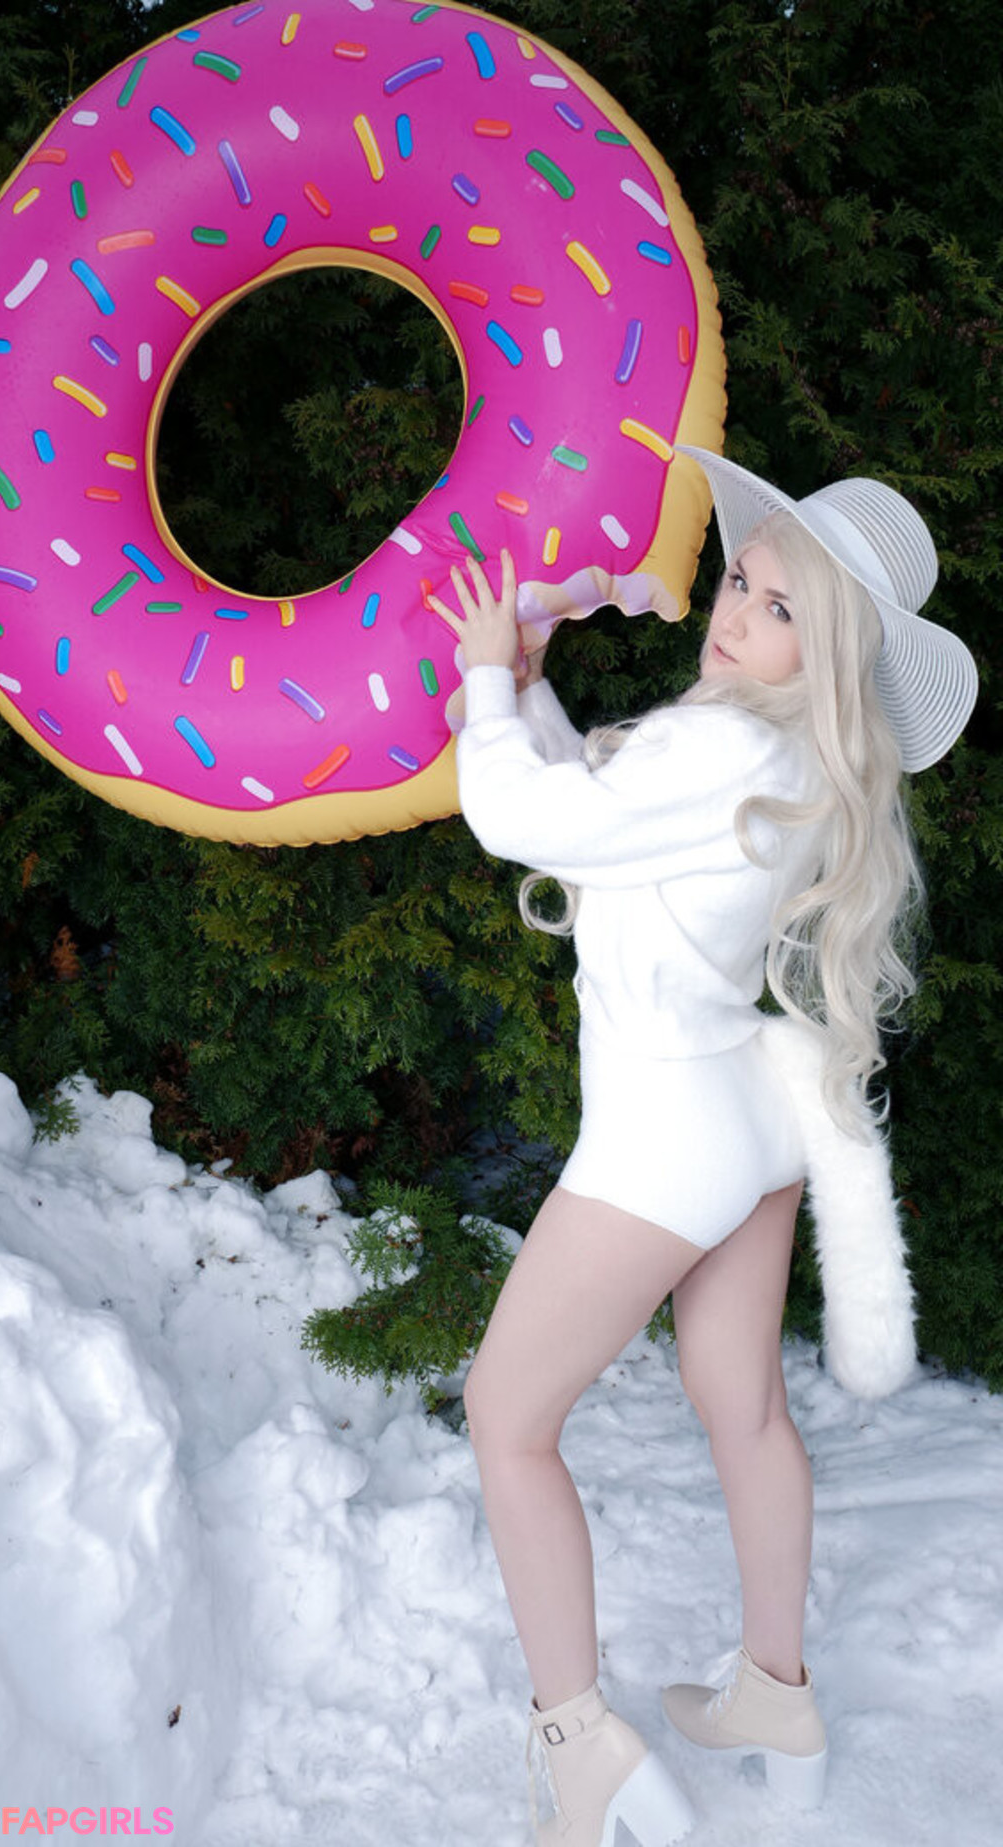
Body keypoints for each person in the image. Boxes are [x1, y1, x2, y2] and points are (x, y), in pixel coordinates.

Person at [428, 447, 978, 1847]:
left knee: (505, 1418)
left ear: (827, 656)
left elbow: (523, 818)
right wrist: (531, 694)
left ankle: (581, 1748)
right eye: (742, 581)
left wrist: (485, 675)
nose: (735, 612)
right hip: (744, 1117)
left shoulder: (722, 746)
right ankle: (776, 1701)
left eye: (779, 609)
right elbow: (604, 833)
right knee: (744, 1411)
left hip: (666, 1135)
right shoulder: (779, 756)